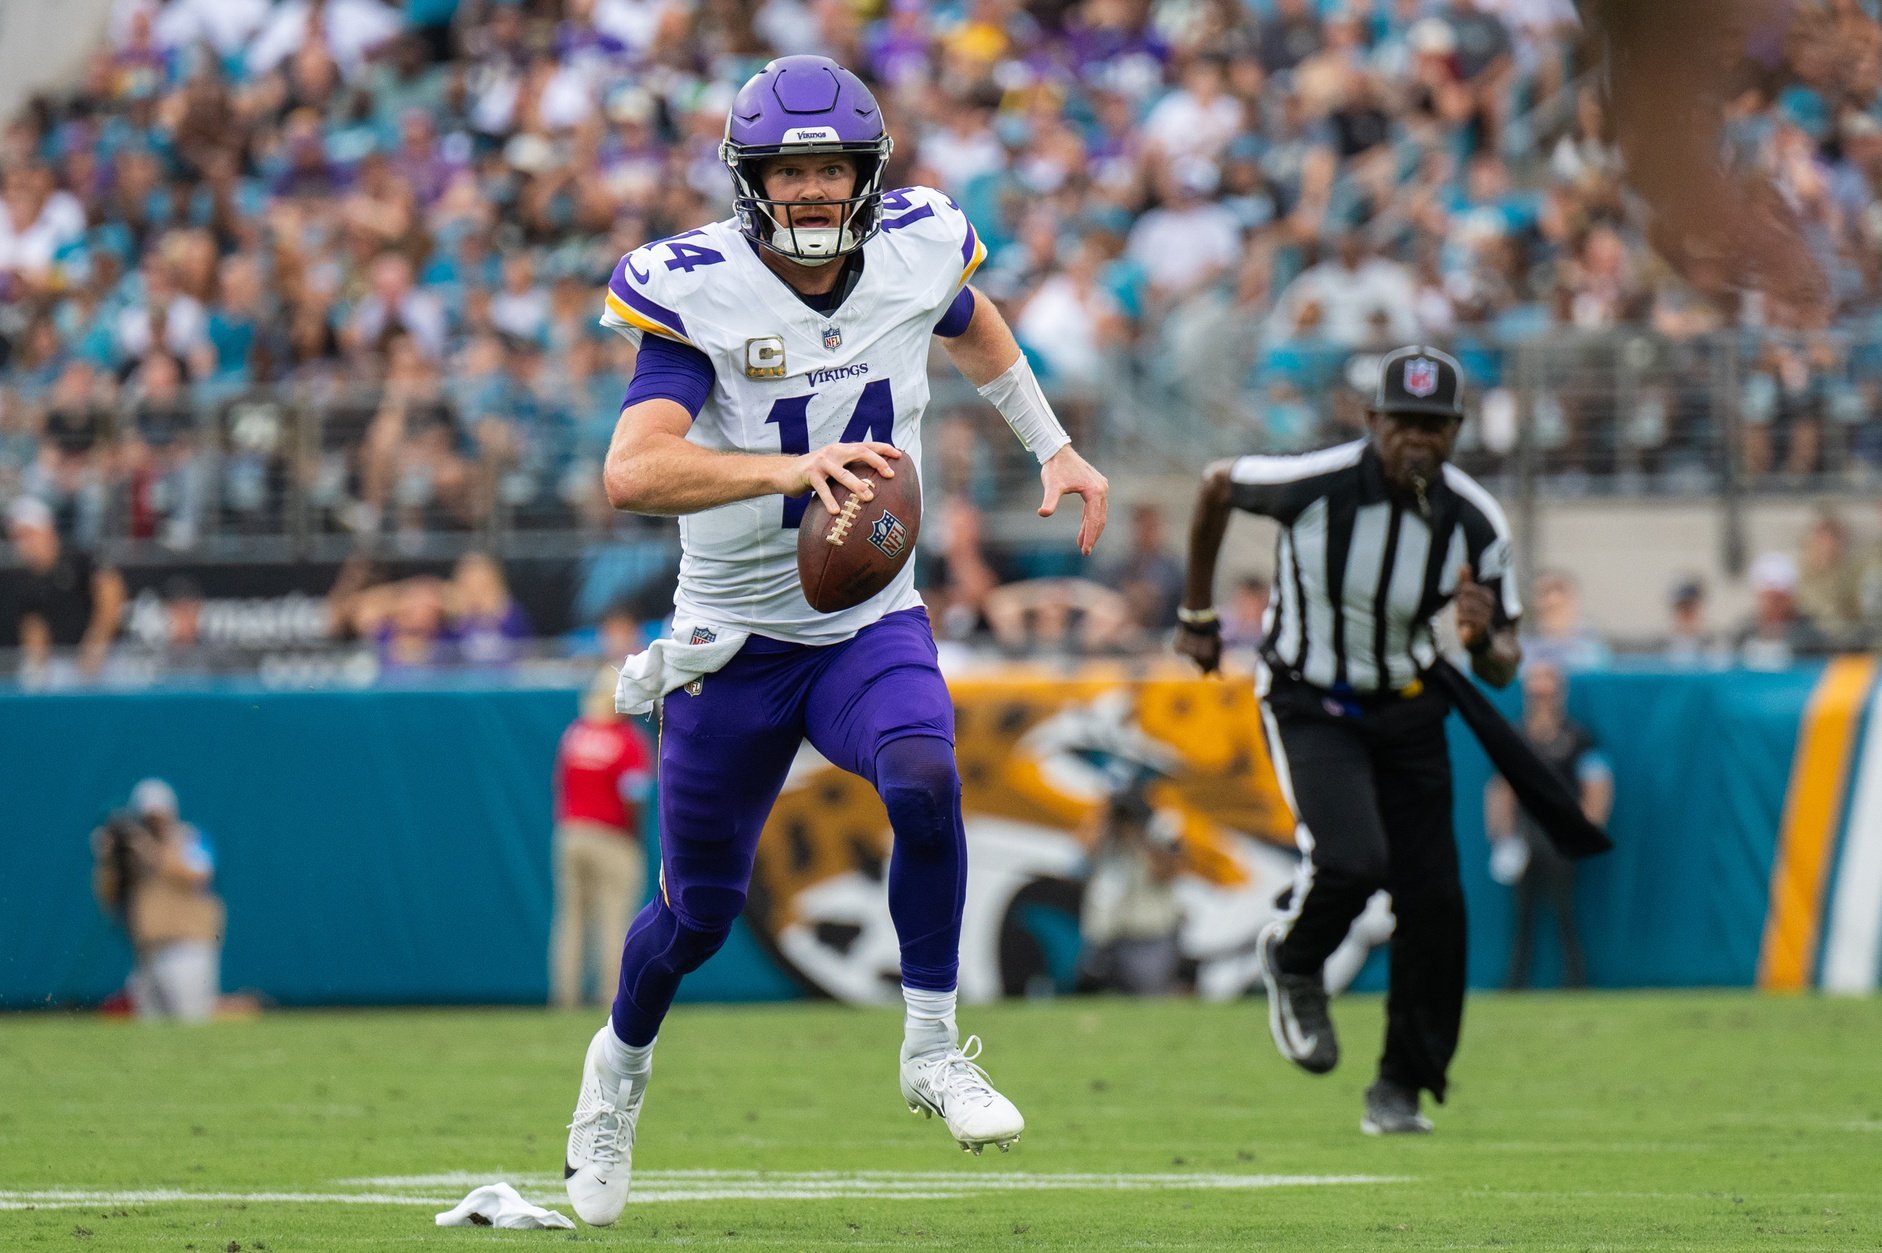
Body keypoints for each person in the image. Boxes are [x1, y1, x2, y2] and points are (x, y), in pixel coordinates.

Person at [563, 55, 1110, 1227]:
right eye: (789, 170)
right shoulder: (695, 286)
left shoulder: (917, 244)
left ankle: (929, 1046)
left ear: (867, 173)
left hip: (867, 618)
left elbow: (975, 327)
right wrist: (784, 468)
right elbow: (631, 468)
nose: (812, 191)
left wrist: (1050, 444)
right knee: (697, 914)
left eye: (831, 168)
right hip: (736, 637)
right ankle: (616, 1069)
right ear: (748, 179)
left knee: (923, 772)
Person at [1175, 345, 1522, 1136]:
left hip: (1407, 705)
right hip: (1311, 697)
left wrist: (1482, 643)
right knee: (1354, 860)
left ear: (1457, 432)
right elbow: (1217, 485)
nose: (1417, 441)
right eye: (1403, 422)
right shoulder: (1317, 482)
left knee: (1435, 902)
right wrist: (1197, 614)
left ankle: (1402, 1083)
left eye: (1433, 427)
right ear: (1373, 422)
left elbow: (1506, 661)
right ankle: (1296, 960)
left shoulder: (1475, 520)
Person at [1484, 661, 1612, 989]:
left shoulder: (1577, 737)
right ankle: (1516, 981)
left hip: (1560, 831)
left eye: (1548, 693)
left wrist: (1586, 829)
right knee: (1522, 913)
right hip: (1527, 832)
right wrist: (1502, 835)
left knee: (1564, 909)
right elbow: (1501, 787)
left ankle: (1575, 979)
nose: (1541, 701)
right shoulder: (1515, 735)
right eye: (1535, 694)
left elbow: (1597, 784)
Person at [551, 666, 655, 1008]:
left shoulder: (575, 734)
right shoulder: (627, 741)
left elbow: (561, 785)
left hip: (571, 833)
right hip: (612, 836)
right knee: (615, 919)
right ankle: (610, 995)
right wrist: (633, 838)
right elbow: (635, 797)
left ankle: (565, 995)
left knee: (571, 919)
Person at [90, 778, 226, 1022]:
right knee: (152, 1034)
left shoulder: (190, 838)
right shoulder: (133, 854)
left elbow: (200, 875)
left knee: (191, 1023)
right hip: (147, 952)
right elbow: (107, 898)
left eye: (158, 817)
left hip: (188, 947)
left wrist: (152, 853)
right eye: (147, 818)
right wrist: (109, 861)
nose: (153, 823)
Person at [1077, 781, 1186, 996]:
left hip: (1148, 938)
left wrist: (1142, 832)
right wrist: (1106, 821)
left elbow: (1168, 871)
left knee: (1149, 1000)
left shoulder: (1159, 833)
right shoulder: (1108, 837)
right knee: (1105, 1001)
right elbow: (1086, 849)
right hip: (1109, 936)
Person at [5, 496, 126, 684]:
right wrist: (36, 667)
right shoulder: (24, 580)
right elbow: (34, 626)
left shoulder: (77, 557)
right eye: (18, 537)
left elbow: (111, 592)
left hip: (108, 654)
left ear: (47, 530)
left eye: (29, 534)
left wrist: (96, 644)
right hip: (63, 661)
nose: (24, 543)